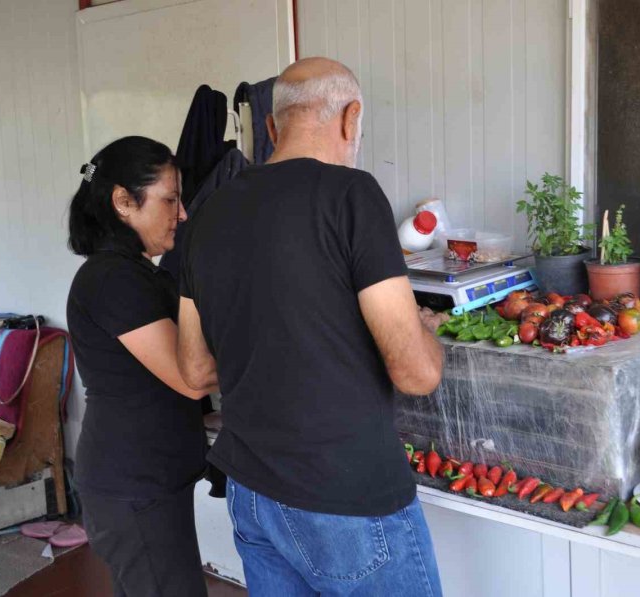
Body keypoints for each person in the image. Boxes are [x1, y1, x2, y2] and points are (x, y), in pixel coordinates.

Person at [177, 58, 445, 596]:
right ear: (351, 118)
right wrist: (425, 332)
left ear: (272, 129)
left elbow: (195, 370)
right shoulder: (352, 195)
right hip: (344, 494)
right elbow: (415, 374)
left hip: (250, 489)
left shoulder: (206, 214)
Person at [66, 136, 215, 597]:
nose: (183, 213)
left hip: (146, 481)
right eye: (170, 200)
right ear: (123, 202)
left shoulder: (137, 272)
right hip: (131, 486)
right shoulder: (113, 279)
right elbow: (193, 379)